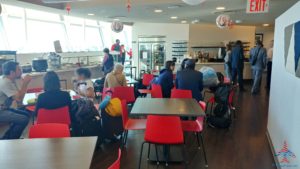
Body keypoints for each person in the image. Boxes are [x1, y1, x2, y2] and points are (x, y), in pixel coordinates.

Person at [0, 61, 31, 139]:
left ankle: (7, 138)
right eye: (19, 69)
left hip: (4, 108)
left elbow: (19, 98)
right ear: (12, 72)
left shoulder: (10, 80)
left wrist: (22, 82)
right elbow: (19, 99)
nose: (21, 71)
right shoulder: (5, 82)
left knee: (26, 114)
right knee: (23, 119)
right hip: (1, 111)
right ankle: (11, 140)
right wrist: (25, 83)